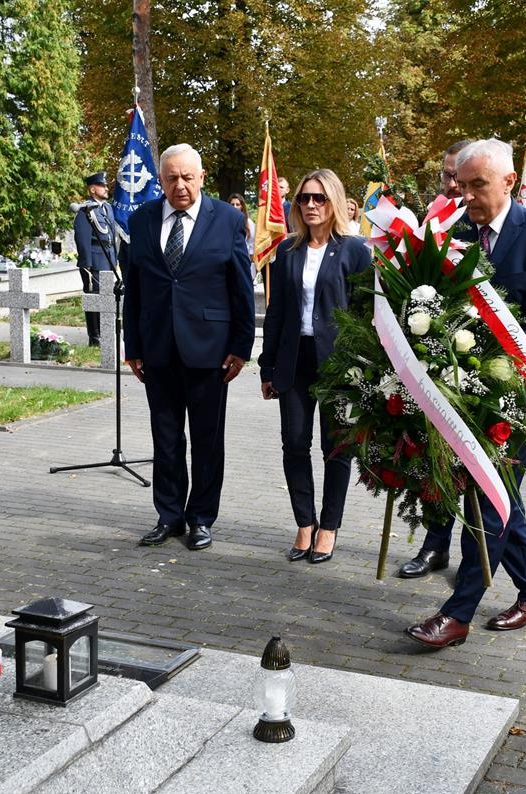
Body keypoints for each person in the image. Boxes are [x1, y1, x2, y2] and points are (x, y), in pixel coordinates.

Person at [404, 138, 526, 649]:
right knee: (501, 494)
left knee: (489, 496)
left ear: (509, 183)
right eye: (461, 184)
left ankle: (458, 614)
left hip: (524, 393)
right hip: (465, 388)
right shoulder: (455, 233)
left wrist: (475, 358)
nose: (467, 194)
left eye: (478, 185)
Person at [121, 144, 255, 551]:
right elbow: (135, 288)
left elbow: (241, 288)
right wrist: (133, 346)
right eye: (171, 178)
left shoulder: (228, 219)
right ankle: (169, 516)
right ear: (160, 180)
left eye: (187, 177)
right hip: (158, 348)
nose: (180, 185)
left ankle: (201, 518)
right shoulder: (142, 220)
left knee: (207, 440)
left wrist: (241, 346)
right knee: (165, 438)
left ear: (201, 177)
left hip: (210, 351)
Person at [259, 170, 371, 564]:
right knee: (294, 443)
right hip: (294, 361)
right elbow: (275, 313)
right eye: (304, 198)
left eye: (319, 198)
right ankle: (304, 523)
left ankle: (329, 527)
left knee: (336, 448)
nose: (310, 205)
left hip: (338, 364)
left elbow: (365, 313)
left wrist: (363, 369)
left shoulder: (355, 250)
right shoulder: (287, 251)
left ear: (334, 202)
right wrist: (267, 368)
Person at [397, 138, 474, 580]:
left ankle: (477, 556)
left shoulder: (479, 221)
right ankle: (434, 545)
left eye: (458, 177)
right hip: (432, 350)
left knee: (476, 465)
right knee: (435, 455)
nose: (452, 184)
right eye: (447, 175)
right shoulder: (434, 217)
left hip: (476, 357)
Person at [73, 171, 117, 347]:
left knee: (106, 298)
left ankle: (106, 332)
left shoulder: (107, 208)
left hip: (108, 259)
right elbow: (82, 238)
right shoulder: (85, 210)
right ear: (92, 189)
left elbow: (111, 236)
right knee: (94, 299)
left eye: (106, 185)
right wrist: (87, 265)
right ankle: (95, 337)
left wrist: (114, 261)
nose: (106, 188)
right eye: (102, 185)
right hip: (94, 262)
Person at [227, 193, 256, 259]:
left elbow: (252, 244)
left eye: (237, 204)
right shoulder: (225, 221)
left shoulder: (248, 222)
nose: (235, 207)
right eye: (232, 204)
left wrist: (249, 259)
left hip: (243, 257)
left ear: (242, 206)